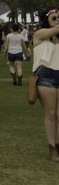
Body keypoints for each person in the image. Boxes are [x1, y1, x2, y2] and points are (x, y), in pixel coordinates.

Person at [30, 9, 59, 161]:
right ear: (47, 20)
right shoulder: (40, 34)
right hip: (45, 76)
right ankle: (52, 147)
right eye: (55, 18)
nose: (57, 20)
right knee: (50, 114)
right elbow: (53, 31)